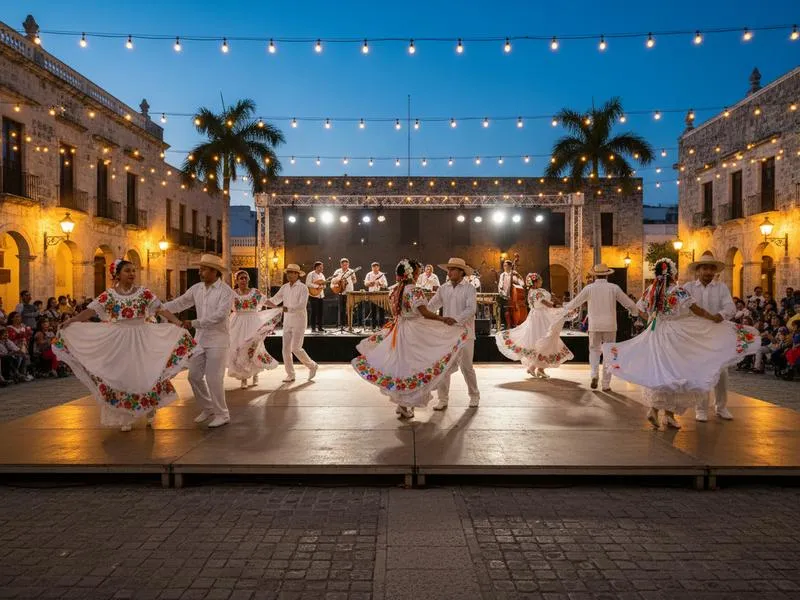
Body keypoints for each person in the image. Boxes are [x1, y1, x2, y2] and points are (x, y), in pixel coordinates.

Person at [603, 258, 760, 429]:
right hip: (676, 334)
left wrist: (653, 320)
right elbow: (696, 310)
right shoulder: (679, 291)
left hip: (658, 333)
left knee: (662, 370)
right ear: (673, 273)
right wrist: (712, 317)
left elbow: (639, 309)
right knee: (675, 372)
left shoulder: (651, 290)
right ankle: (660, 411)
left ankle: (664, 414)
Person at [54, 259, 194, 431]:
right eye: (127, 271)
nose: (132, 274)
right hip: (119, 339)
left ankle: (149, 407)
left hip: (142, 336)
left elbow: (160, 309)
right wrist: (73, 320)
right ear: (117, 274)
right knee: (123, 374)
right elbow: (91, 311)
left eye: (133, 271)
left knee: (145, 371)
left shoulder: (144, 293)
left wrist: (177, 322)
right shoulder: (109, 295)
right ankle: (125, 415)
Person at [352, 259, 469, 419]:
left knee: (404, 367)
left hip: (400, 330)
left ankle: (404, 405)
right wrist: (443, 319)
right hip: (414, 331)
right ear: (412, 273)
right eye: (418, 271)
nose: (419, 273)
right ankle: (406, 405)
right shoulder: (414, 290)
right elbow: (424, 312)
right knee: (416, 365)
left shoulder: (395, 290)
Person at [162, 253, 235, 429]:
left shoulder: (226, 292)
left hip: (218, 340)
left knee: (214, 378)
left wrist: (194, 323)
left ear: (214, 271)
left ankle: (222, 414)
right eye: (200, 269)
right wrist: (158, 308)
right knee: (194, 376)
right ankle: (208, 407)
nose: (200, 272)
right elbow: (179, 303)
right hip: (200, 339)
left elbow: (219, 317)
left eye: (203, 269)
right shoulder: (197, 289)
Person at [561, 263, 647, 391]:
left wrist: (564, 308)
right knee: (609, 353)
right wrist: (636, 312)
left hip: (594, 325)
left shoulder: (589, 288)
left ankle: (594, 374)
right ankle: (606, 384)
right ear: (607, 275)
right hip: (610, 325)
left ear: (595, 276)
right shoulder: (614, 288)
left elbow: (576, 302)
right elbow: (628, 303)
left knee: (594, 350)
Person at [682, 255, 737, 421]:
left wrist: (721, 314)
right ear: (698, 271)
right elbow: (682, 307)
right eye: (704, 268)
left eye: (711, 268)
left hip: (717, 334)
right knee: (701, 371)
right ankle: (701, 409)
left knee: (722, 372)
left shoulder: (721, 288)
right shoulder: (688, 287)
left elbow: (730, 306)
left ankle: (721, 407)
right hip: (697, 336)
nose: (708, 272)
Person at [496, 272, 574, 379]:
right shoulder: (537, 293)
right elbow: (548, 304)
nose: (541, 282)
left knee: (541, 340)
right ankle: (535, 368)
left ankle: (538, 369)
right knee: (545, 340)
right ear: (535, 282)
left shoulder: (532, 292)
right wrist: (561, 307)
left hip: (535, 317)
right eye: (540, 280)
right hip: (540, 318)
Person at [428, 257, 480, 409]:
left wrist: (455, 319)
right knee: (443, 366)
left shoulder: (469, 288)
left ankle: (474, 395)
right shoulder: (443, 288)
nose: (449, 272)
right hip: (448, 334)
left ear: (461, 272)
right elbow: (431, 306)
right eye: (448, 269)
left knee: (466, 367)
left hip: (466, 333)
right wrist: (418, 312)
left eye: (452, 269)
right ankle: (443, 399)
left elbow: (471, 309)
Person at [227, 270, 282, 389]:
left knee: (253, 348)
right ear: (236, 280)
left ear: (248, 280)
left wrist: (277, 307)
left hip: (253, 322)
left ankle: (255, 374)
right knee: (240, 348)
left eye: (245, 278)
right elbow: (225, 307)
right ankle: (244, 377)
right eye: (241, 278)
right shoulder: (232, 294)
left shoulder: (255, 293)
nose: (243, 280)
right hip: (238, 323)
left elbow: (266, 301)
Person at [265, 264, 318, 383]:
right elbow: (274, 300)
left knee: (296, 348)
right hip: (287, 321)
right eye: (288, 272)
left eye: (292, 272)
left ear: (297, 274)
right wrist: (261, 300)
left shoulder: (303, 288)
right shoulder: (284, 287)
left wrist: (286, 309)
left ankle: (312, 366)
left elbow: (301, 305)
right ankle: (290, 374)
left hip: (299, 321)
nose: (289, 275)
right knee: (285, 349)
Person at [331, 258, 357, 330]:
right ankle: (342, 325)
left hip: (350, 292)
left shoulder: (351, 271)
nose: (345, 266)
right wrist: (339, 280)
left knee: (350, 309)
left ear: (348, 264)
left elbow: (355, 281)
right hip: (341, 291)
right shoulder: (337, 271)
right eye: (343, 264)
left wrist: (352, 279)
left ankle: (350, 325)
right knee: (342, 309)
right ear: (341, 264)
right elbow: (333, 281)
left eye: (346, 264)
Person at [497, 260, 524, 330]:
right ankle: (508, 325)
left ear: (510, 266)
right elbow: (500, 286)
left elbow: (522, 284)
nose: (504, 267)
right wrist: (503, 295)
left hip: (514, 298)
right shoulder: (502, 275)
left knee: (513, 311)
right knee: (506, 312)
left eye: (506, 265)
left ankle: (516, 325)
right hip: (506, 297)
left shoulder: (515, 275)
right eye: (504, 266)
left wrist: (519, 277)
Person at [363, 262, 388, 330]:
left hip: (380, 294)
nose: (375, 268)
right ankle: (373, 326)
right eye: (374, 267)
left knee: (381, 310)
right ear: (372, 268)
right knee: (373, 310)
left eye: (376, 267)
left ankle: (381, 326)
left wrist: (380, 283)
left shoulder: (382, 275)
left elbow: (386, 284)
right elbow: (365, 283)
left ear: (378, 267)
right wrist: (370, 283)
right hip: (372, 294)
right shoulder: (369, 274)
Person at [306, 261, 327, 333]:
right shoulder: (311, 274)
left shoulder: (322, 275)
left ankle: (320, 327)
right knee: (314, 312)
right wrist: (317, 286)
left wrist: (323, 286)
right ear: (316, 267)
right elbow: (308, 284)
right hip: (313, 295)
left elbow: (324, 285)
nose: (322, 268)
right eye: (320, 267)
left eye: (322, 267)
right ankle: (313, 328)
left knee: (320, 312)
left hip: (321, 295)